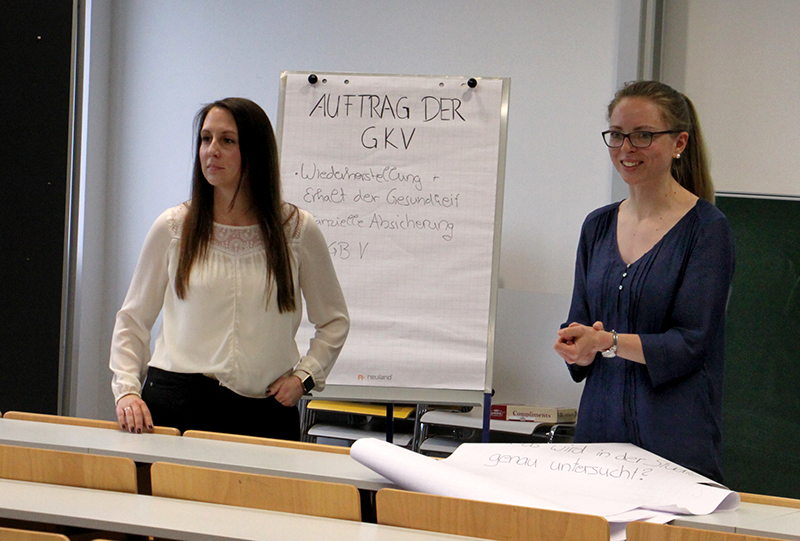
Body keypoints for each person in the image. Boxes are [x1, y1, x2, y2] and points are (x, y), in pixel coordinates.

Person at [109, 97, 349, 439]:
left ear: (255, 151)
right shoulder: (175, 227)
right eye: (206, 139)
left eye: (227, 140)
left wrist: (304, 376)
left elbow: (334, 320)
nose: (211, 150)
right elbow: (132, 320)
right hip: (176, 404)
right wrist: (127, 390)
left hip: (263, 411)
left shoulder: (296, 230)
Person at [554, 81, 735, 483]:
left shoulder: (707, 229)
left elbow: (692, 343)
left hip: (673, 442)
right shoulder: (597, 226)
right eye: (617, 135)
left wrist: (608, 343)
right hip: (598, 436)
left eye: (643, 135)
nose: (626, 148)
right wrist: (578, 349)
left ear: (679, 142)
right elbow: (578, 324)